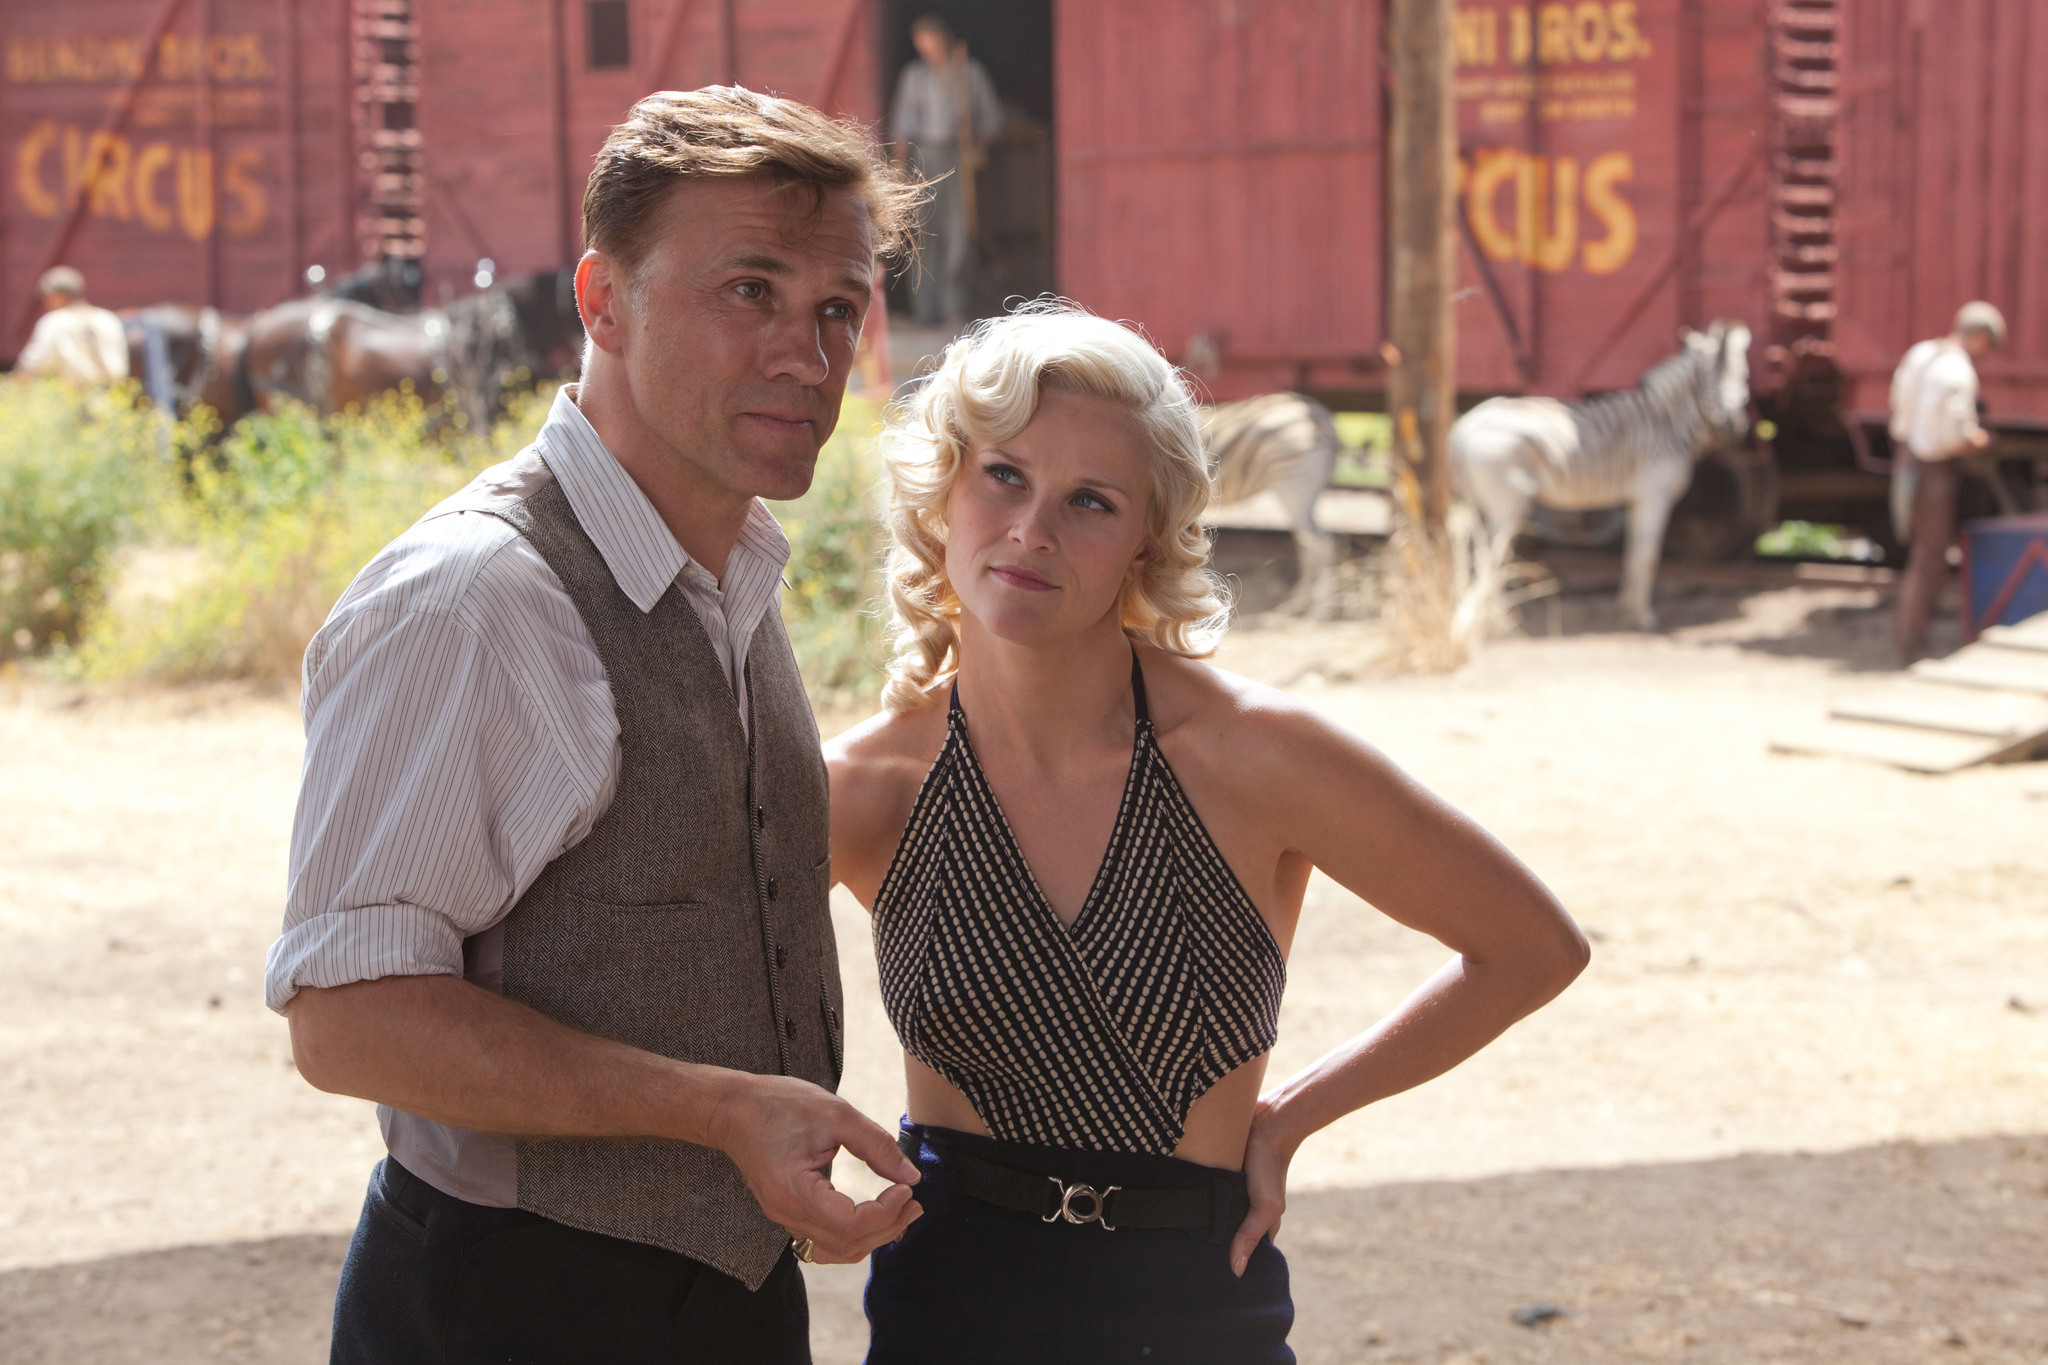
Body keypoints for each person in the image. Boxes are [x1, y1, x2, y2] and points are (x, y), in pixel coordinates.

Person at [265, 87, 926, 1363]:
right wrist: (719, 1110)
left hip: (724, 1297)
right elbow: (344, 1017)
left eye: (836, 307)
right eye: (749, 290)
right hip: (509, 1309)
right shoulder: (473, 598)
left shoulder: (729, 570)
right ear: (600, 299)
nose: (807, 353)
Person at [826, 306, 1589, 1363]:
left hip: (1194, 1309)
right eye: (1003, 474)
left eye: (1088, 500)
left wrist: (1290, 1118)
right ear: (940, 488)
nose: (1032, 529)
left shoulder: (1256, 756)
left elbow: (1530, 949)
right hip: (949, 1305)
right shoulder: (864, 786)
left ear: (1148, 534)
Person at [1889, 301, 2007, 663]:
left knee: (1920, 555)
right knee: (1930, 559)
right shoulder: (1958, 373)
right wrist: (1982, 440)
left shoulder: (1921, 354)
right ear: (1980, 337)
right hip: (1933, 472)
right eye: (1988, 347)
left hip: (1907, 460)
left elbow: (1898, 402)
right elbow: (1957, 436)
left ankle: (1909, 639)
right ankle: (1912, 647)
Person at [888, 14, 1002, 327]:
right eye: (922, 47)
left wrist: (977, 149)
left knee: (959, 232)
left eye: (933, 45)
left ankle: (955, 307)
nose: (929, 52)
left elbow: (990, 119)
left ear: (946, 39)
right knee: (923, 231)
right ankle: (926, 309)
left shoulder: (969, 72)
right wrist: (900, 164)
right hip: (924, 156)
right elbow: (903, 124)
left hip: (958, 156)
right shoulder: (913, 76)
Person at [16, 266, 128, 385]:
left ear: (58, 296)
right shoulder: (107, 318)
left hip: (74, 395)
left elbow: (33, 363)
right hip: (114, 394)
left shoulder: (54, 322)